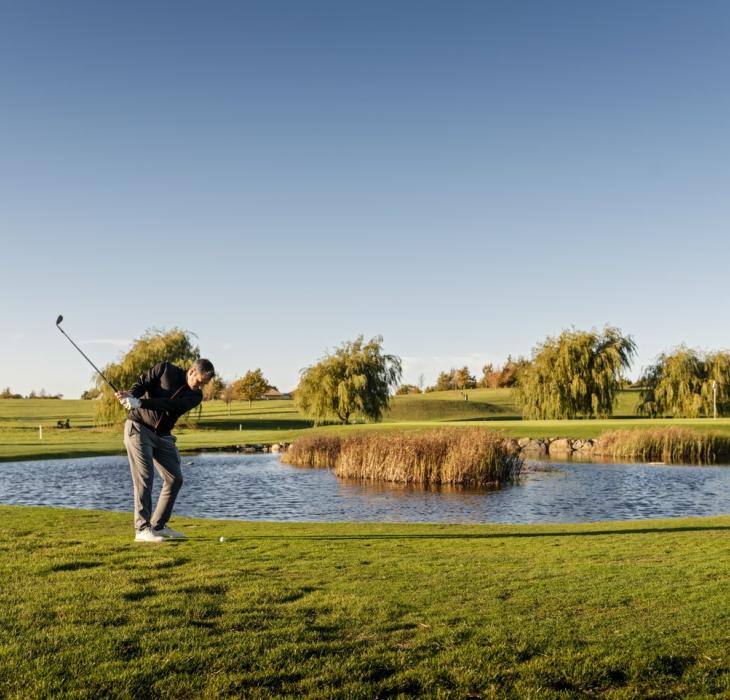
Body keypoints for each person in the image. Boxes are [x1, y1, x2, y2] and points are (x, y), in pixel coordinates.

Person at [116, 358, 215, 542]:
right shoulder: (165, 369)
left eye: (205, 384)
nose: (200, 386)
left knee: (175, 479)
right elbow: (142, 383)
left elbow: (171, 406)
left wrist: (140, 403)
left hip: (163, 435)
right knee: (144, 477)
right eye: (200, 381)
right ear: (192, 371)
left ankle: (158, 526)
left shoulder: (195, 396)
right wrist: (130, 397)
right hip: (138, 428)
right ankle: (142, 529)